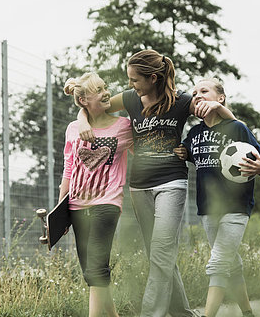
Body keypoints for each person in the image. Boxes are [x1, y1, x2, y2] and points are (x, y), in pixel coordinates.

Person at [76, 49, 235, 317]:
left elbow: (229, 127)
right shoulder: (129, 99)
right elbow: (95, 108)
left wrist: (219, 107)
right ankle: (184, 314)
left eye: (135, 80)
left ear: (152, 78)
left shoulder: (183, 101)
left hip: (171, 183)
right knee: (158, 255)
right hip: (139, 187)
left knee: (161, 253)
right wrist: (81, 119)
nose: (130, 85)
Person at [174, 78, 260, 317]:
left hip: (236, 207)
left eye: (204, 91)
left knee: (218, 262)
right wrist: (182, 152)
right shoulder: (194, 133)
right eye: (194, 92)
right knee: (231, 263)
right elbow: (189, 152)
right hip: (208, 209)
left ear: (220, 98)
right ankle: (248, 313)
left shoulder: (236, 128)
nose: (197, 94)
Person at [60, 72, 133, 317]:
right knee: (91, 273)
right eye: (98, 90)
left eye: (105, 87)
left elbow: (141, 154)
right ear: (83, 100)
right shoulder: (73, 129)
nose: (105, 92)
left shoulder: (124, 126)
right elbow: (69, 168)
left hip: (108, 202)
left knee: (96, 266)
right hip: (78, 204)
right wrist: (60, 209)